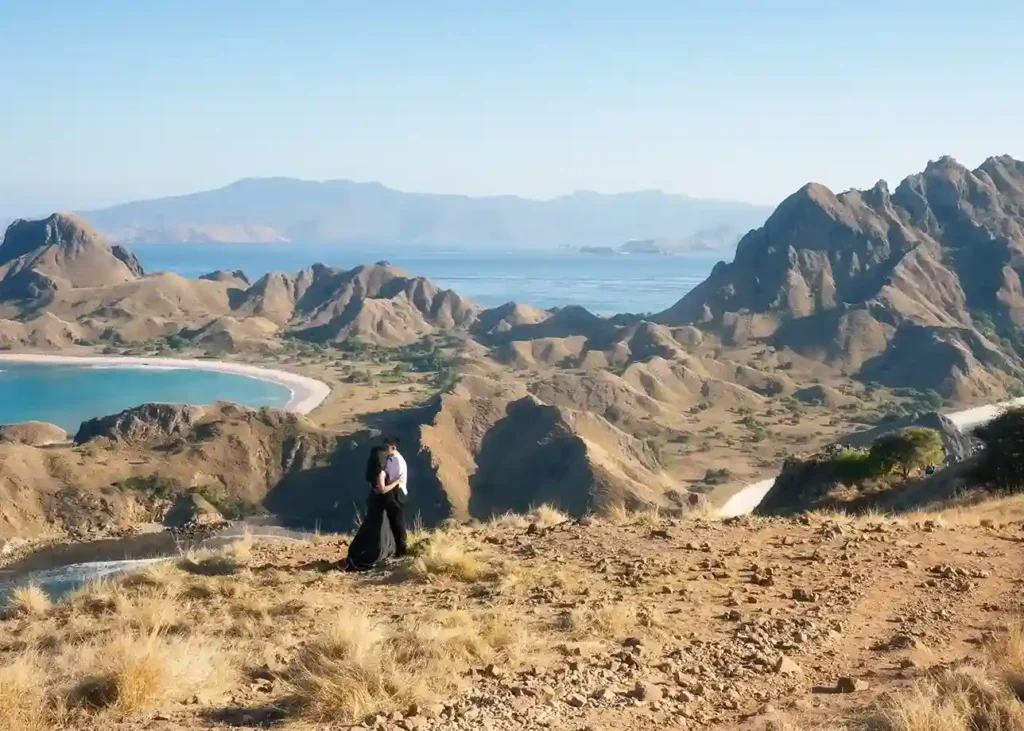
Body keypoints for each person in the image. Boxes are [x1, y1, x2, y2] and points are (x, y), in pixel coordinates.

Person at [342, 446, 396, 570]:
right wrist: (395, 482)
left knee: (371, 525)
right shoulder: (380, 472)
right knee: (378, 527)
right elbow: (382, 489)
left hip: (373, 500)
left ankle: (359, 552)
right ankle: (373, 554)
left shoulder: (373, 470)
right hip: (379, 501)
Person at [381, 435, 409, 557]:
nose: (384, 450)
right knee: (392, 522)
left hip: (398, 493)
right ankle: (395, 549)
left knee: (398, 522)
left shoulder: (398, 461)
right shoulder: (389, 459)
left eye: (386, 447)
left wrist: (385, 487)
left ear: (393, 447)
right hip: (391, 492)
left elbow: (397, 480)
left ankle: (402, 550)